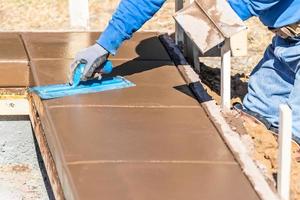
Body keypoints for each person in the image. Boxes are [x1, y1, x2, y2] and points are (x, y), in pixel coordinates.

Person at [70, 0, 300, 144]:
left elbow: (247, 3)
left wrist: (199, 25)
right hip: (287, 45)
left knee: (294, 131)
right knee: (255, 117)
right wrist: (104, 45)